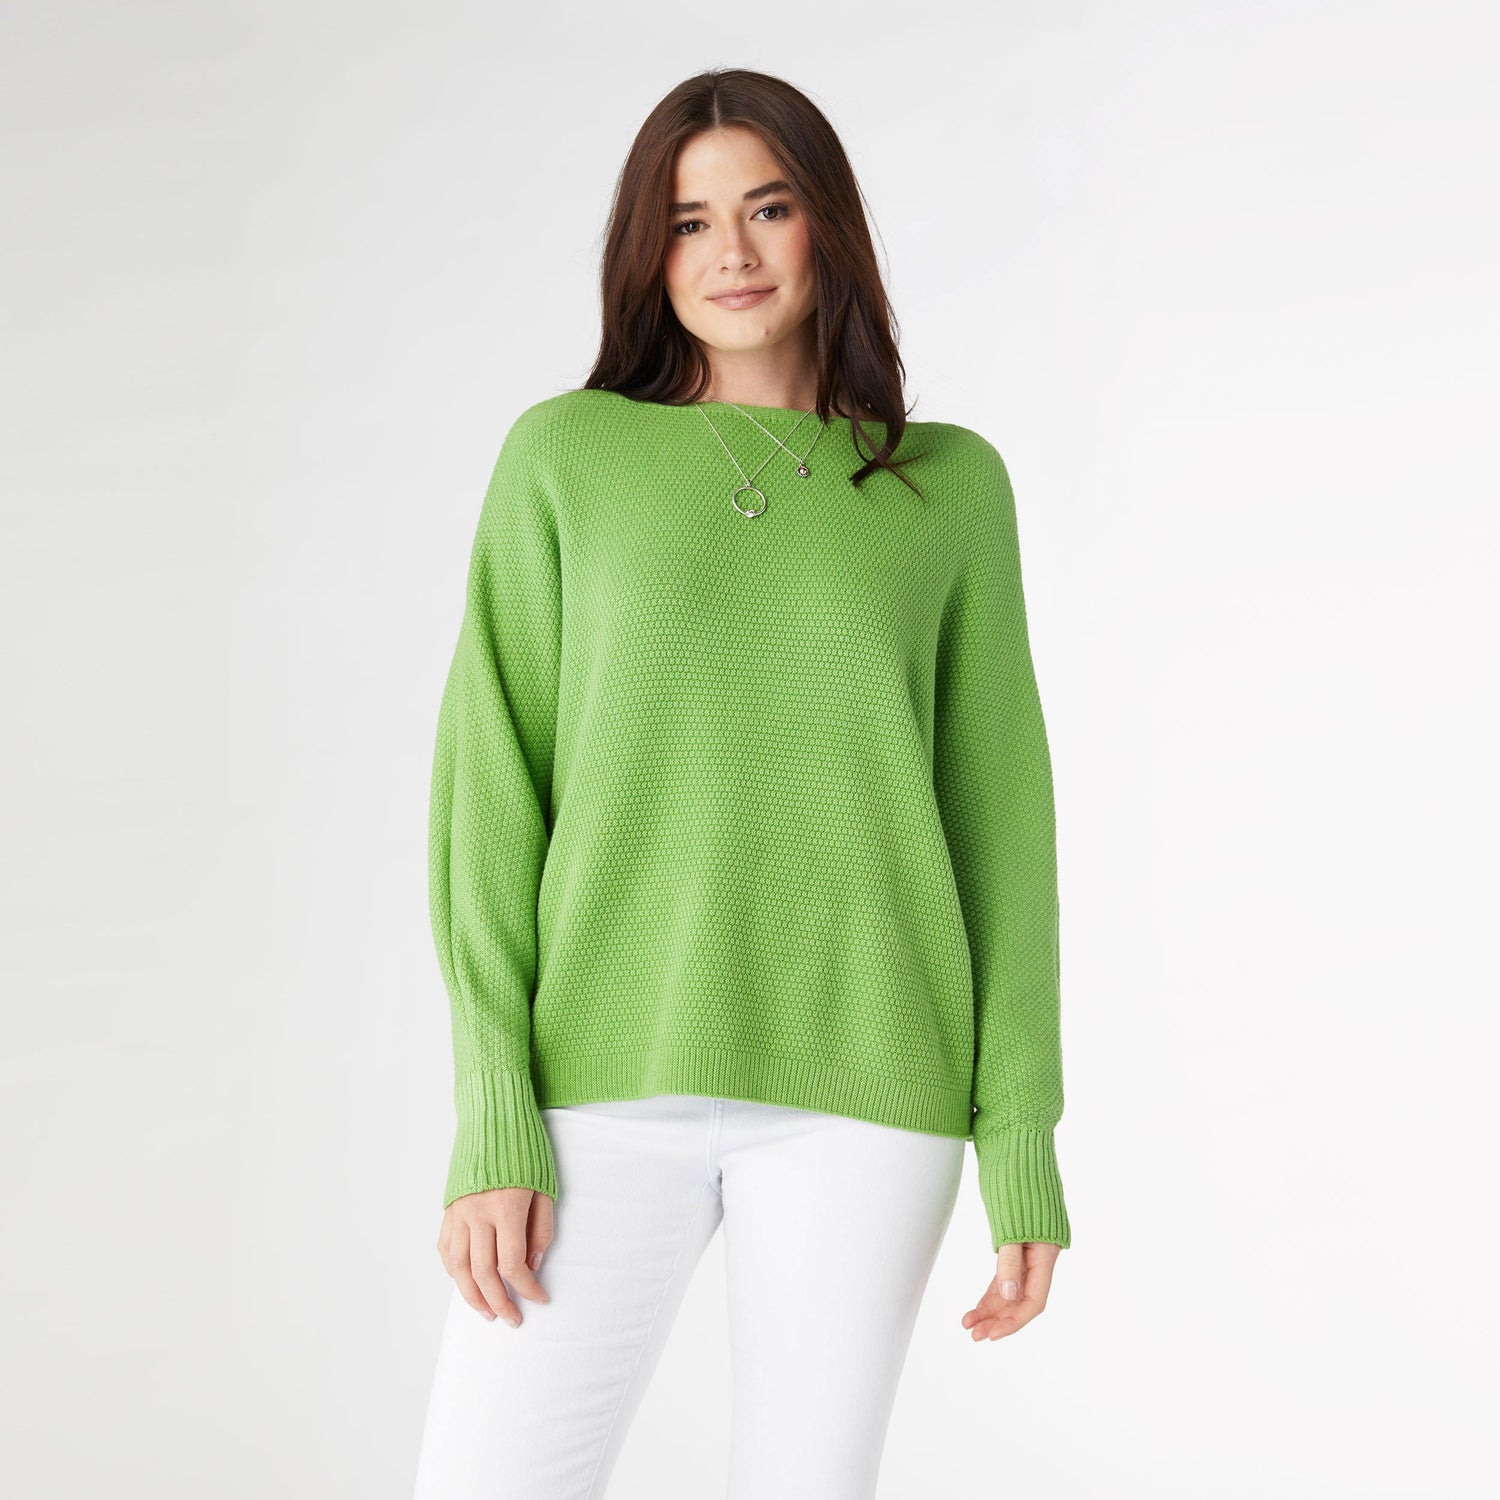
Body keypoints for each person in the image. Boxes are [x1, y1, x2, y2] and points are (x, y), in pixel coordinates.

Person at [413, 66, 1073, 1500]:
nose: (732, 252)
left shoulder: (948, 487)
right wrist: (493, 1110)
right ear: (646, 253)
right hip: (599, 1080)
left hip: (871, 1085)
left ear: (827, 222)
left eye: (768, 209)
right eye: (688, 221)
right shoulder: (566, 456)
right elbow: (490, 796)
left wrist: (1020, 1133)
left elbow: (1001, 823)